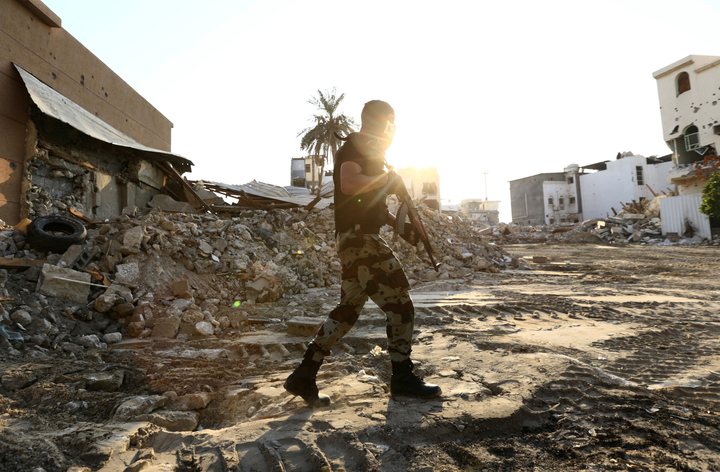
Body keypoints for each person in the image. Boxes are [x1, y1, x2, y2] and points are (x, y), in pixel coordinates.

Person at [284, 100, 442, 407]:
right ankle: (402, 378)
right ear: (381, 123)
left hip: (356, 239)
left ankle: (304, 374)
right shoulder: (356, 147)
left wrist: (403, 229)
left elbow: (369, 205)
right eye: (390, 124)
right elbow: (349, 183)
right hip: (359, 241)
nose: (392, 131)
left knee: (347, 312)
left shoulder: (373, 155)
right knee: (401, 306)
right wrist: (387, 180)